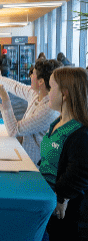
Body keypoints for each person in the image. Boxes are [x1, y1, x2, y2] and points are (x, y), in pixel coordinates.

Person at [39, 67, 88, 239]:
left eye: (51, 88)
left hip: (66, 218)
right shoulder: (57, 122)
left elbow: (79, 173)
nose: (48, 93)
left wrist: (60, 197)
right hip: (46, 202)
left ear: (65, 94)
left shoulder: (80, 134)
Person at [0, 60, 62, 163]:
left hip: (33, 164)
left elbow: (13, 130)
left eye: (33, 74)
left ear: (41, 81)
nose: (30, 76)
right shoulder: (37, 94)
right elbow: (16, 87)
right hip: (24, 152)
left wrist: (5, 99)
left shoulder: (47, 110)